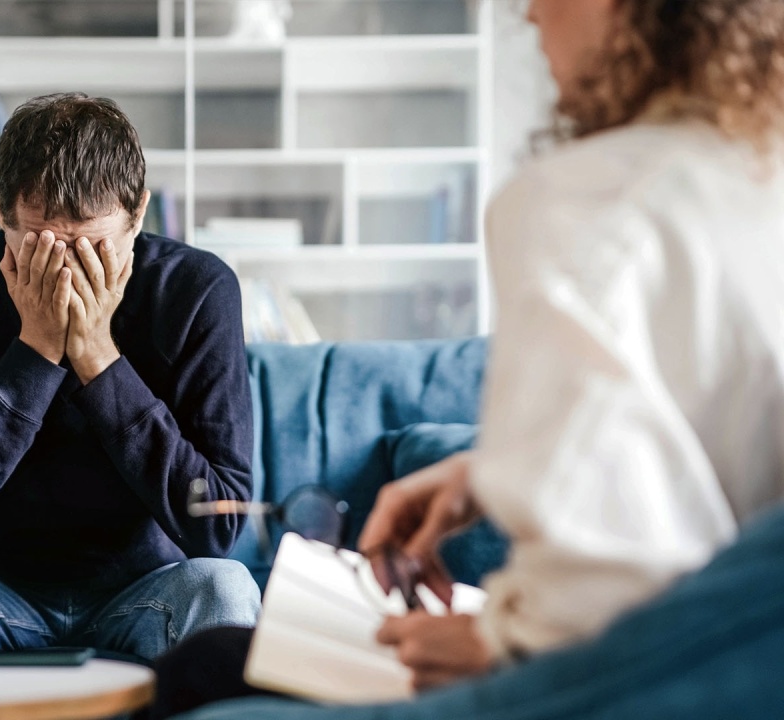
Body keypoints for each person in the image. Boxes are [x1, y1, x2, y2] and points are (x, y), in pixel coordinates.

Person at [153, 0, 784, 715]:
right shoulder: (763, 173)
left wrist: (493, 640)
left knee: (204, 670)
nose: (529, 14)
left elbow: (593, 602)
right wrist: (486, 471)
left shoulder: (584, 197)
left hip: (611, 678)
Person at [0, 92, 261, 663]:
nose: (65, 273)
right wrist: (34, 351)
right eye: (39, 245)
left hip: (146, 595)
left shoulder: (198, 291)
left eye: (93, 249)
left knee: (227, 589)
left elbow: (218, 526)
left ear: (138, 216)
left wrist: (99, 358)